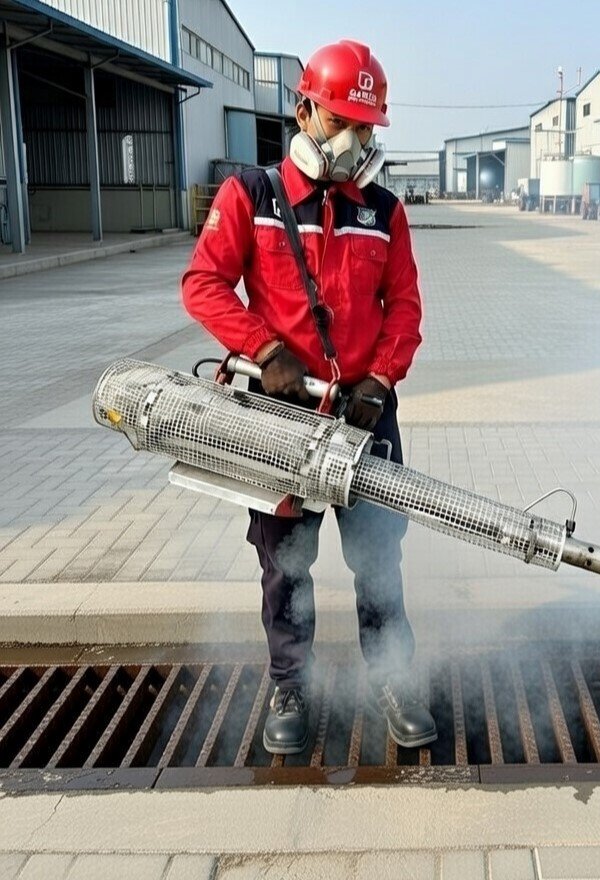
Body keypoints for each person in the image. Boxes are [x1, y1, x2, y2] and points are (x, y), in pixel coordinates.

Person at [181, 39, 437, 755]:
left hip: (364, 414)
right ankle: (290, 684)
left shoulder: (383, 211)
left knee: (379, 559)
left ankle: (392, 676)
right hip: (279, 415)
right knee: (285, 563)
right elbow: (202, 284)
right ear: (303, 110)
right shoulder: (251, 197)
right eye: (344, 120)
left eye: (368, 127)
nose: (357, 139)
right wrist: (263, 350)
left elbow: (405, 307)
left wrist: (380, 380)